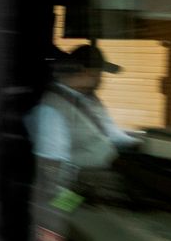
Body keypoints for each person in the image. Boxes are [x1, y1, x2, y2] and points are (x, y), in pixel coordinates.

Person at [30, 43, 138, 173]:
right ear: (84, 71)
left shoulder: (90, 99)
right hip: (86, 182)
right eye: (99, 74)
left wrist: (142, 145)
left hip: (110, 171)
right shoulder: (50, 110)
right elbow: (53, 166)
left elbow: (112, 134)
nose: (101, 79)